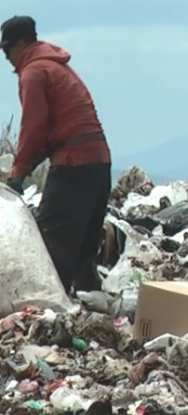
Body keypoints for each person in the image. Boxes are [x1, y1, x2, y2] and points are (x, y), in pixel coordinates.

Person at [1, 15, 111, 294]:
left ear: (23, 43)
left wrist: (18, 173)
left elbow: (34, 128)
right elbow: (52, 132)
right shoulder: (60, 68)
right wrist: (28, 165)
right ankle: (90, 303)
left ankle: (50, 307)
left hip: (73, 163)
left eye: (7, 48)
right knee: (84, 247)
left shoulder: (34, 73)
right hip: (98, 162)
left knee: (53, 244)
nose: (5, 57)